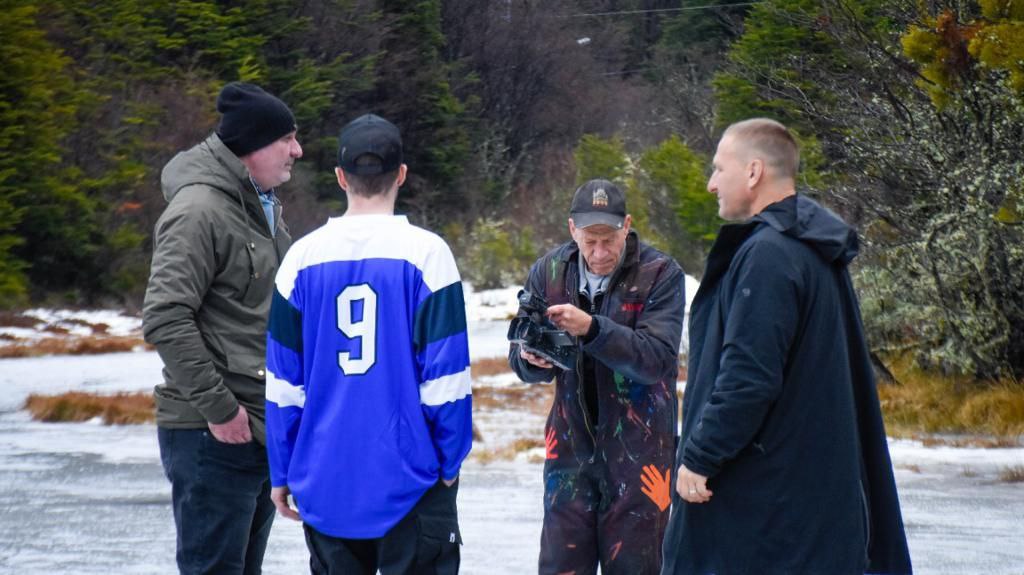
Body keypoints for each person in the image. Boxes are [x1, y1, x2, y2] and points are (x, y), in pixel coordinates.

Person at [661, 118, 912, 575]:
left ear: (753, 171)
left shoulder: (769, 256)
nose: (711, 183)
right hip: (804, 503)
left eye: (719, 168)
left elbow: (749, 378)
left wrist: (699, 455)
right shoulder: (813, 250)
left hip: (764, 511)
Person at [265, 114, 472, 575]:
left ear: (341, 177)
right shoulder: (428, 253)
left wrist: (282, 468)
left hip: (325, 478)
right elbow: (446, 377)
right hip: (412, 480)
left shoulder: (300, 259)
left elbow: (283, 384)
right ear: (402, 174)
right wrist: (449, 461)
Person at [143, 82, 301, 574]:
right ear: (252, 145)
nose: (297, 150)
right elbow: (166, 316)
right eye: (286, 139)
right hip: (212, 433)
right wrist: (221, 410)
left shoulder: (262, 210)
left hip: (256, 427)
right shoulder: (198, 211)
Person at [508, 179, 687, 575]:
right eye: (590, 241)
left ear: (627, 226)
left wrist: (592, 330)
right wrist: (531, 360)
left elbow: (656, 360)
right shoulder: (549, 271)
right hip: (569, 453)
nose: (600, 252)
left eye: (609, 240)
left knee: (636, 567)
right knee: (561, 566)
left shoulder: (660, 272)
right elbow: (520, 351)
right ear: (572, 229)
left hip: (642, 456)